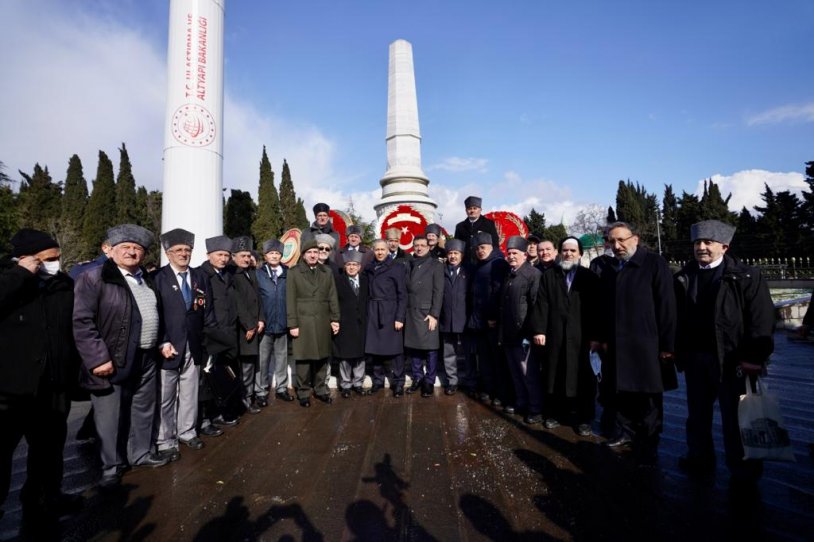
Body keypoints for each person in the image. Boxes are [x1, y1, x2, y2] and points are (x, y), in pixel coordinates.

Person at [674, 220, 774, 483]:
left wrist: (755, 357)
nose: (701, 248)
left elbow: (761, 319)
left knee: (736, 418)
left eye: (708, 242)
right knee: (697, 415)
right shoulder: (684, 276)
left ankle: (743, 469)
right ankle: (699, 458)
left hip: (732, 360)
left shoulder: (746, 276)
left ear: (725, 246)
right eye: (697, 243)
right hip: (696, 359)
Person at [73, 224, 171, 488]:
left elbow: (153, 314)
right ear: (111, 250)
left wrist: (161, 341)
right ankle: (110, 466)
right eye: (125, 247)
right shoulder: (94, 278)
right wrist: (97, 358)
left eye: (137, 248)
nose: (131, 252)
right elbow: (82, 322)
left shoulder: (146, 279)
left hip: (146, 355)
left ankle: (139, 453)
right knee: (110, 415)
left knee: (143, 407)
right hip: (112, 358)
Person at [0, 229, 82, 528]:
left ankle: (44, 499)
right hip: (11, 389)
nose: (55, 264)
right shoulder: (9, 280)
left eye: (58, 258)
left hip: (53, 386)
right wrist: (19, 276)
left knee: (48, 452)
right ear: (26, 259)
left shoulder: (63, 285)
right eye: (49, 259)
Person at [594, 222, 676, 466]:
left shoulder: (654, 263)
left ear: (636, 239)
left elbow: (667, 307)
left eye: (621, 240)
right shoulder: (612, 268)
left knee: (648, 398)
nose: (616, 246)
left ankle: (649, 441)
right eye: (611, 242)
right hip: (618, 345)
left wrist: (667, 345)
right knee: (623, 394)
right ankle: (625, 434)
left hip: (647, 345)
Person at [153, 228, 215, 460]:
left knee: (190, 392)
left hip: (195, 344)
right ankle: (164, 440)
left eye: (187, 250)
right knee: (166, 396)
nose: (183, 254)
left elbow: (206, 310)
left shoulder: (200, 278)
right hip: (169, 346)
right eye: (178, 250)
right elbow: (155, 313)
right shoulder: (158, 279)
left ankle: (187, 432)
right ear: (168, 254)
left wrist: (208, 340)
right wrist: (162, 341)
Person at [531, 237, 600, 436]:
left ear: (579, 253)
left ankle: (585, 418)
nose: (568, 254)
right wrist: (539, 330)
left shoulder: (590, 277)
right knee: (554, 374)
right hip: (555, 336)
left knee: (584, 379)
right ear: (560, 253)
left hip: (582, 338)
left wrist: (596, 337)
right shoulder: (549, 276)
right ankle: (555, 413)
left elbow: (598, 311)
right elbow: (541, 304)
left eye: (572, 250)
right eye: (565, 250)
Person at [287, 238, 340, 407]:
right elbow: (290, 300)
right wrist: (292, 324)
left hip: (323, 320)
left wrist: (335, 319)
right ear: (303, 255)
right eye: (309, 252)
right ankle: (303, 392)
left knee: (322, 357)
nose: (313, 255)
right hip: (302, 322)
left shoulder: (327, 271)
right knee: (303, 359)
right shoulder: (294, 272)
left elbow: (332, 297)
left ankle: (321, 389)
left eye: (316, 252)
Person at [198, 235, 241, 428]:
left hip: (229, 333)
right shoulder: (201, 275)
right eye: (219, 254)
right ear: (209, 255)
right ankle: (207, 417)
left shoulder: (229, 274)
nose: (223, 258)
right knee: (207, 379)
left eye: (226, 255)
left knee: (225, 375)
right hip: (211, 336)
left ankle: (223, 410)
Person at [499, 236, 542, 424]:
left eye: (515, 253)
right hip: (509, 334)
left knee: (528, 374)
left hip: (522, 334)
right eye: (509, 253)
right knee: (515, 373)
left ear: (525, 254)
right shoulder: (510, 274)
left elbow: (535, 306)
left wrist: (530, 333)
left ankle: (535, 408)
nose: (511, 256)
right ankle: (522, 402)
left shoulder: (533, 274)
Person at [467, 232, 510, 406]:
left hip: (492, 322)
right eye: (477, 248)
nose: (480, 251)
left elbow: (498, 292)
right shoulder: (480, 265)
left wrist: (493, 316)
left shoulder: (498, 264)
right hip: (479, 322)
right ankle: (488, 389)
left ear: (491, 247)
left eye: (483, 247)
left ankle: (501, 393)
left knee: (497, 361)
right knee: (484, 360)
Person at [365, 239, 408, 396]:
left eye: (383, 249)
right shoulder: (369, 268)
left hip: (390, 312)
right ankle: (378, 381)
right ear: (373, 250)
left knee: (395, 349)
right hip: (373, 311)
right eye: (377, 249)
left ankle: (398, 382)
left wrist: (400, 317)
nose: (380, 252)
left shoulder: (396, 267)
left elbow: (402, 295)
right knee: (375, 349)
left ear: (388, 250)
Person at [404, 235, 445, 397]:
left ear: (429, 247)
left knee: (430, 349)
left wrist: (434, 314)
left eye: (422, 245)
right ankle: (417, 378)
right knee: (414, 348)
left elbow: (439, 291)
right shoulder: (409, 263)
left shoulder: (435, 265)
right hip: (411, 311)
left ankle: (429, 380)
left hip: (427, 313)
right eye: (416, 245)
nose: (419, 248)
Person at [257, 239, 294, 404]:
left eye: (277, 253)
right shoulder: (259, 274)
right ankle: (261, 391)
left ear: (281, 255)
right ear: (265, 256)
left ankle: (281, 388)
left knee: (282, 358)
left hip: (283, 323)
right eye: (271, 253)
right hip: (265, 324)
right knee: (263, 360)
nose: (274, 256)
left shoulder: (288, 273)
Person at [231, 236, 264, 414]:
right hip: (243, 330)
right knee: (244, 367)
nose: (246, 258)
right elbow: (238, 303)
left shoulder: (250, 273)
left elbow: (258, 298)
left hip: (254, 327)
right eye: (242, 255)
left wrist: (261, 319)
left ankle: (248, 397)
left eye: (248, 255)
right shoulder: (233, 275)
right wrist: (250, 325)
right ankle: (243, 399)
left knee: (251, 365)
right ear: (233, 256)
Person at [333, 250, 369, 397]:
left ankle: (358, 383)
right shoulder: (338, 280)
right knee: (345, 356)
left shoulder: (366, 280)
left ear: (359, 267)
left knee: (360, 355)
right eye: (349, 264)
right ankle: (346, 384)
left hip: (362, 323)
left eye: (355, 264)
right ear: (345, 266)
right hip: (345, 323)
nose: (352, 267)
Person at [438, 239, 472, 395]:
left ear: (462, 255)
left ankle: (471, 381)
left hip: (464, 319)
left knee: (468, 352)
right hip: (446, 318)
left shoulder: (469, 272)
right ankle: (452, 381)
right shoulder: (441, 271)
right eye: (450, 253)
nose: (452, 256)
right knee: (449, 352)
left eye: (456, 253)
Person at [454, 195, 499, 263]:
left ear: (480, 210)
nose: (472, 211)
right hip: (466, 263)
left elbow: (495, 244)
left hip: (484, 262)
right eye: (469, 209)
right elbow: (457, 246)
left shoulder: (489, 224)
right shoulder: (460, 226)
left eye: (475, 208)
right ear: (466, 211)